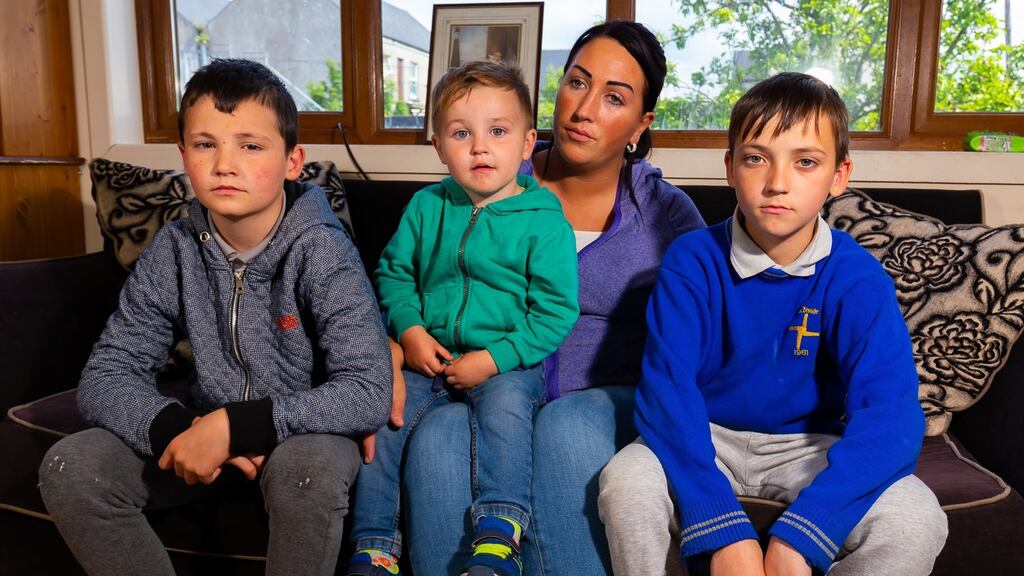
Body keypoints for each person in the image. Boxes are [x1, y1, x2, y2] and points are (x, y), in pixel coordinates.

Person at [37, 58, 393, 576]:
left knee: (307, 473)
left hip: (301, 435)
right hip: (200, 427)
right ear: (183, 156)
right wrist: (186, 431)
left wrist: (239, 426)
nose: (225, 163)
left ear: (293, 161)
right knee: (72, 467)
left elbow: (366, 390)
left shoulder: (322, 250)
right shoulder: (175, 249)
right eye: (206, 145)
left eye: (250, 145)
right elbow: (106, 376)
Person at [598, 72, 949, 576]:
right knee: (626, 483)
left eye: (805, 162)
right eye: (756, 158)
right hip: (704, 436)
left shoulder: (856, 277)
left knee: (916, 519)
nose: (777, 182)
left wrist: (805, 534)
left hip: (808, 448)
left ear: (839, 176)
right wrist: (721, 527)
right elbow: (667, 394)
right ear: (730, 168)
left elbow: (892, 416)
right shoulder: (691, 260)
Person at [397, 21, 706, 576]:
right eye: (577, 83)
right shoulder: (487, 169)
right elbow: (414, 275)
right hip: (481, 380)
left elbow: (702, 335)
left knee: (564, 426)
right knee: (438, 434)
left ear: (640, 125)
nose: (584, 109)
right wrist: (398, 343)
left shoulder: (667, 215)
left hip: (602, 396)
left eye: (614, 98)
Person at [346, 60, 578, 576]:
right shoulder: (426, 206)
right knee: (384, 417)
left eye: (498, 131)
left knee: (506, 415)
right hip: (428, 354)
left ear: (526, 143)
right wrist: (409, 331)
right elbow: (393, 275)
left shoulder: (544, 220)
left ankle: (499, 534)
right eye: (460, 133)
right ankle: (375, 545)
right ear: (438, 146)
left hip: (505, 362)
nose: (480, 146)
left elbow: (556, 311)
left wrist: (495, 360)